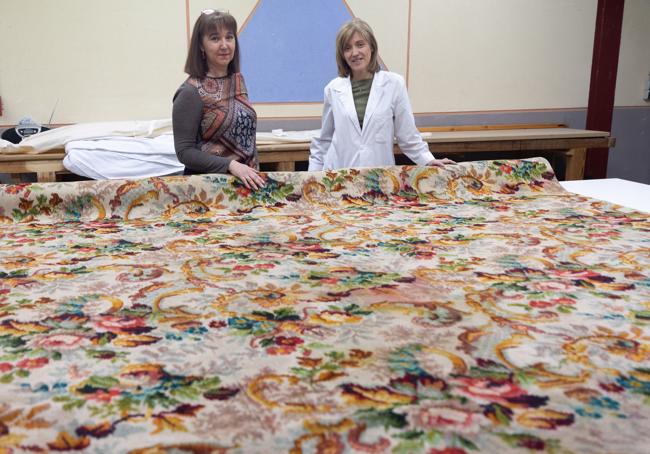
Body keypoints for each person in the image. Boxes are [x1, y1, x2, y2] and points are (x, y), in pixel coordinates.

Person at [309, 18, 455, 171]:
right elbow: (324, 140)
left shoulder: (394, 84)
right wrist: (310, 176)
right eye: (347, 48)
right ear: (342, 54)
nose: (355, 53)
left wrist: (428, 160)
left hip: (379, 176)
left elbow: (407, 135)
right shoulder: (332, 89)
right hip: (340, 175)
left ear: (371, 47)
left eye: (360, 44)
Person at [173, 9, 265, 190]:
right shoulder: (190, 92)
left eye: (229, 37)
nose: (224, 45)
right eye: (215, 38)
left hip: (245, 186)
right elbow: (185, 152)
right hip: (207, 192)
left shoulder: (237, 80)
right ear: (201, 45)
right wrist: (231, 165)